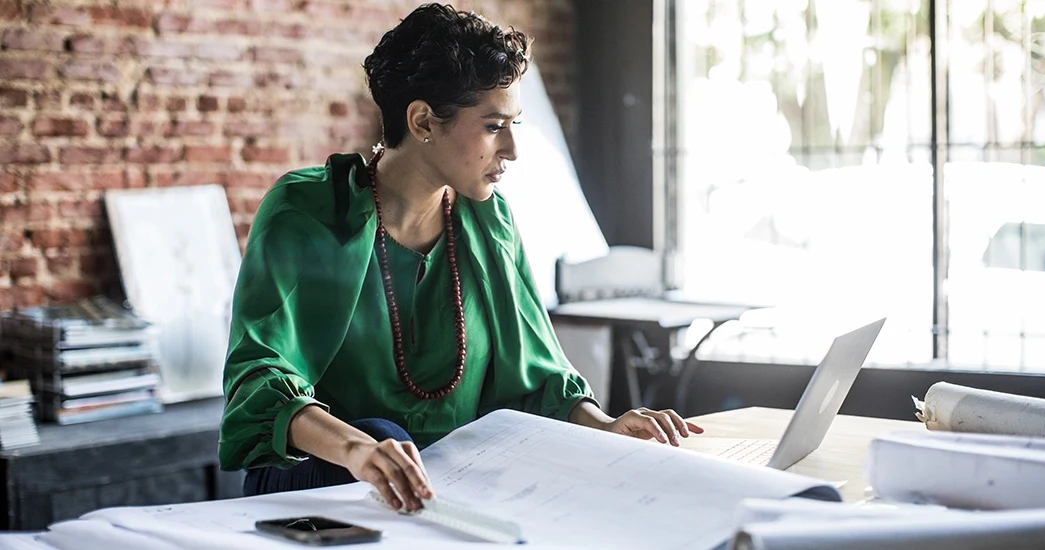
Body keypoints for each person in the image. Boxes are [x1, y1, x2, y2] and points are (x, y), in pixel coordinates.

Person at [218, 2, 702, 512]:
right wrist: (360, 449)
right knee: (385, 434)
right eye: (494, 126)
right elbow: (260, 378)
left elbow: (537, 376)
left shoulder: (489, 221)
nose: (512, 148)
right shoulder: (308, 210)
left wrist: (606, 426)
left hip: (452, 483)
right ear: (423, 121)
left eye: (514, 124)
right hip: (323, 477)